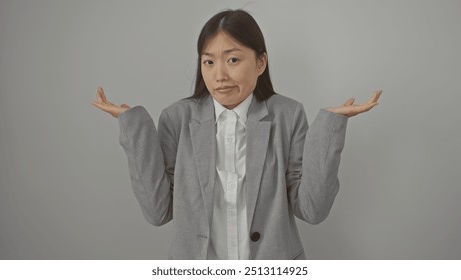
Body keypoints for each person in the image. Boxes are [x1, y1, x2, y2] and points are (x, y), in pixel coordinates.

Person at [91, 9, 381, 260]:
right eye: (209, 62)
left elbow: (313, 209)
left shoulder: (287, 115)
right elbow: (157, 212)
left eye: (232, 60)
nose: (219, 75)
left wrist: (330, 127)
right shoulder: (177, 118)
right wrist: (135, 126)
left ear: (260, 63)